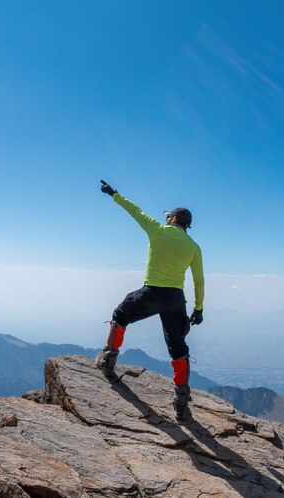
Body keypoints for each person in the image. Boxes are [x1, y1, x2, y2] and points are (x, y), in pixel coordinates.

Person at [96, 179, 205, 421]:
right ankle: (180, 399)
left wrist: (113, 193)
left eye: (169, 216)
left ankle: (108, 359)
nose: (166, 218)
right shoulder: (194, 247)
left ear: (174, 220)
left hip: (151, 292)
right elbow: (199, 281)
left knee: (120, 314)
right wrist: (198, 309)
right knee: (178, 348)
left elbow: (134, 210)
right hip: (176, 299)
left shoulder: (157, 230)